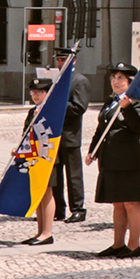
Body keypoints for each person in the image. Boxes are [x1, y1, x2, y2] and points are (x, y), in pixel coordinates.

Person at [88, 64, 140, 258]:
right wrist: (93, 151)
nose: (115, 81)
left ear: (131, 82)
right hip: (110, 159)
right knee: (118, 204)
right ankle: (117, 244)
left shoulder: (138, 101)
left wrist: (128, 108)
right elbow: (101, 128)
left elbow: (138, 127)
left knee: (132, 203)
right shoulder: (111, 101)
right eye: (113, 77)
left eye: (120, 78)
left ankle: (133, 245)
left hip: (130, 160)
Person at [18, 74, 59, 245]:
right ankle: (40, 231)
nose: (36, 95)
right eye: (33, 92)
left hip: (47, 157)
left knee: (47, 193)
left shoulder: (53, 110)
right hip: (33, 158)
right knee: (39, 194)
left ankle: (47, 232)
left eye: (40, 92)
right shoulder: (32, 111)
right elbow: (27, 134)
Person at [50, 53, 90, 224]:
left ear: (73, 61)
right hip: (53, 134)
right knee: (55, 174)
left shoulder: (79, 80)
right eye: (58, 60)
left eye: (63, 60)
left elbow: (79, 107)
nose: (60, 63)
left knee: (73, 175)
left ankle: (78, 209)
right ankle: (58, 209)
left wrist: (57, 103)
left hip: (70, 134)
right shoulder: (55, 78)